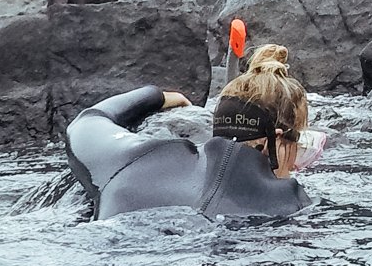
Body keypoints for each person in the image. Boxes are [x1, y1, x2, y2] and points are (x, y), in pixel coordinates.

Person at [65, 44, 314, 221]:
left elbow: (89, 120)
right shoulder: (289, 201)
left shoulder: (137, 159)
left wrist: (160, 96)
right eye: (299, 146)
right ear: (275, 139)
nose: (294, 164)